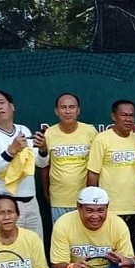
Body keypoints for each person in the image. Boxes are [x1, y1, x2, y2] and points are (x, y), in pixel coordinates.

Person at [0, 89, 49, 239]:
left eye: (2, 103)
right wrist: (11, 151)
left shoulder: (24, 129)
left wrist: (42, 149)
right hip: (2, 206)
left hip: (30, 203)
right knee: (6, 255)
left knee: (34, 252)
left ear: (12, 106)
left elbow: (41, 163)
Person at [88, 100, 135, 253]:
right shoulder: (102, 139)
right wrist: (94, 204)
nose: (128, 119)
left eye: (131, 116)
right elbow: (93, 173)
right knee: (112, 250)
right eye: (124, 115)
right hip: (110, 208)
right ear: (114, 116)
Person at [42, 93, 98, 222]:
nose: (67, 111)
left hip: (85, 199)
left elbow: (96, 165)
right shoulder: (49, 133)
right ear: (56, 111)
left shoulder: (90, 131)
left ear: (78, 110)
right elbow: (45, 167)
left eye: (71, 107)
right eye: (63, 107)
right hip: (59, 198)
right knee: (62, 238)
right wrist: (46, 192)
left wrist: (92, 193)